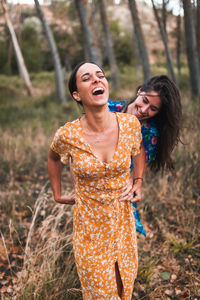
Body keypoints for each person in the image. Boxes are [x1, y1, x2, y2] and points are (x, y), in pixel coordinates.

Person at [48, 62, 146, 299]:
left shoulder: (130, 125)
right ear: (76, 95)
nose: (96, 80)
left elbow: (139, 149)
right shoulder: (68, 134)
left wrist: (138, 182)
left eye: (100, 75)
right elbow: (53, 157)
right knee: (99, 294)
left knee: (124, 288)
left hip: (122, 224)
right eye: (87, 78)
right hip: (89, 230)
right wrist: (57, 194)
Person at [108, 75, 182, 235]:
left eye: (153, 109)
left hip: (121, 190)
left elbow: (137, 176)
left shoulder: (149, 132)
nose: (144, 110)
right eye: (145, 101)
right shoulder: (108, 109)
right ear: (140, 91)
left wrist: (130, 186)